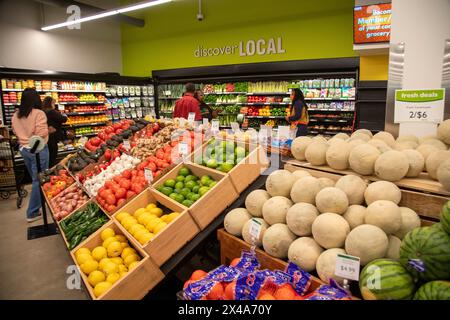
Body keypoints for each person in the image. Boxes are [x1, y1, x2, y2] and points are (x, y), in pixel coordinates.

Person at [11, 88, 49, 222]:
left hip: (24, 149)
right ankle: (32, 212)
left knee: (35, 178)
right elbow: (41, 133)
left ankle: (38, 207)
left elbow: (15, 131)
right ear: (36, 99)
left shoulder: (16, 115)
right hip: (37, 150)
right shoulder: (39, 113)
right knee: (38, 180)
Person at [42, 96, 67, 167]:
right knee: (52, 155)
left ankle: (47, 168)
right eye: (53, 103)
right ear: (51, 103)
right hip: (52, 136)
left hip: (44, 137)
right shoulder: (52, 111)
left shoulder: (41, 111)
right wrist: (64, 114)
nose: (54, 105)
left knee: (47, 155)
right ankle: (51, 169)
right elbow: (63, 119)